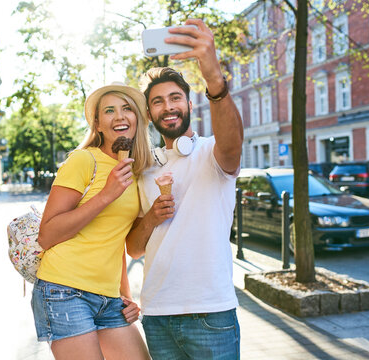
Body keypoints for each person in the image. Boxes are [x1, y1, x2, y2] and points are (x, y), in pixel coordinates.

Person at [126, 19, 244, 359]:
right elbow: (133, 249)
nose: (169, 106)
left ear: (190, 105)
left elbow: (233, 145)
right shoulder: (144, 169)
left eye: (175, 97)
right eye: (158, 101)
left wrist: (213, 78)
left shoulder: (212, 152)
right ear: (149, 114)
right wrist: (150, 219)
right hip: (158, 315)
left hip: (211, 314)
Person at [31, 82, 152, 360]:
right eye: (109, 111)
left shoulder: (135, 170)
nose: (120, 116)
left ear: (136, 119)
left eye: (126, 109)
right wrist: (106, 195)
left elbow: (116, 240)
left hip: (108, 297)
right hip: (63, 289)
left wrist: (126, 295)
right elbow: (47, 235)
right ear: (97, 124)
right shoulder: (83, 161)